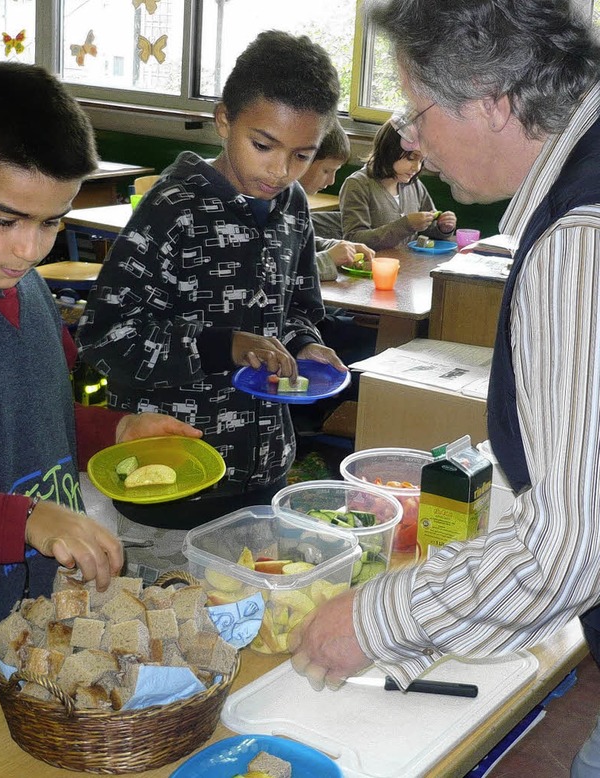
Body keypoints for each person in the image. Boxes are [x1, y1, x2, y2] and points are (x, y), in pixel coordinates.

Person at [288, 2, 600, 774]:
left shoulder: (578, 238)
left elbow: (568, 553)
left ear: (494, 101)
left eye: (416, 109)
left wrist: (375, 617)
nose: (411, 136)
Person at [0, 61, 199, 703]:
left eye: (52, 222)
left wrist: (116, 431)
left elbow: (40, 413)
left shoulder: (30, 292)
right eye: (6, 220)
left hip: (29, 629)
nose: (30, 249)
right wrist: (26, 519)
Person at [77, 31, 347, 534]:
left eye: (303, 156)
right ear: (224, 120)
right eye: (263, 145)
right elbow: (106, 338)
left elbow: (301, 307)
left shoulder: (293, 210)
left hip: (263, 465)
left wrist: (305, 344)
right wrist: (224, 347)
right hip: (171, 474)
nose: (281, 170)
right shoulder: (172, 209)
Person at [339, 121, 456, 250]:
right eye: (411, 158)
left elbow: (427, 229)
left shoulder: (414, 185)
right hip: (377, 266)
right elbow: (354, 239)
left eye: (422, 161)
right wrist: (406, 225)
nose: (416, 167)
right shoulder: (358, 185)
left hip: (410, 265)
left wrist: (441, 227)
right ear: (389, 150)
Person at [298, 119, 375, 281]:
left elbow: (300, 243)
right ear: (302, 159)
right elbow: (278, 271)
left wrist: (340, 248)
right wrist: (328, 259)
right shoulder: (268, 202)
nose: (332, 181)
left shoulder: (294, 200)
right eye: (327, 171)